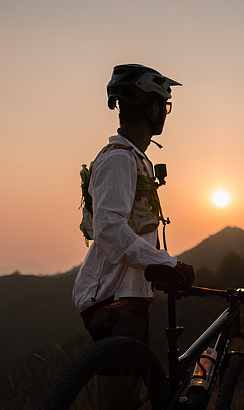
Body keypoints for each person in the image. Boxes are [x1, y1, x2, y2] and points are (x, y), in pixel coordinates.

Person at [72, 63, 194, 346]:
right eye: (165, 106)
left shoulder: (133, 158)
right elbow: (110, 229)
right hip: (113, 296)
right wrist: (167, 262)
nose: (165, 113)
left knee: (132, 386)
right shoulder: (119, 159)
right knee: (121, 389)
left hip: (126, 292)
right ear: (152, 108)